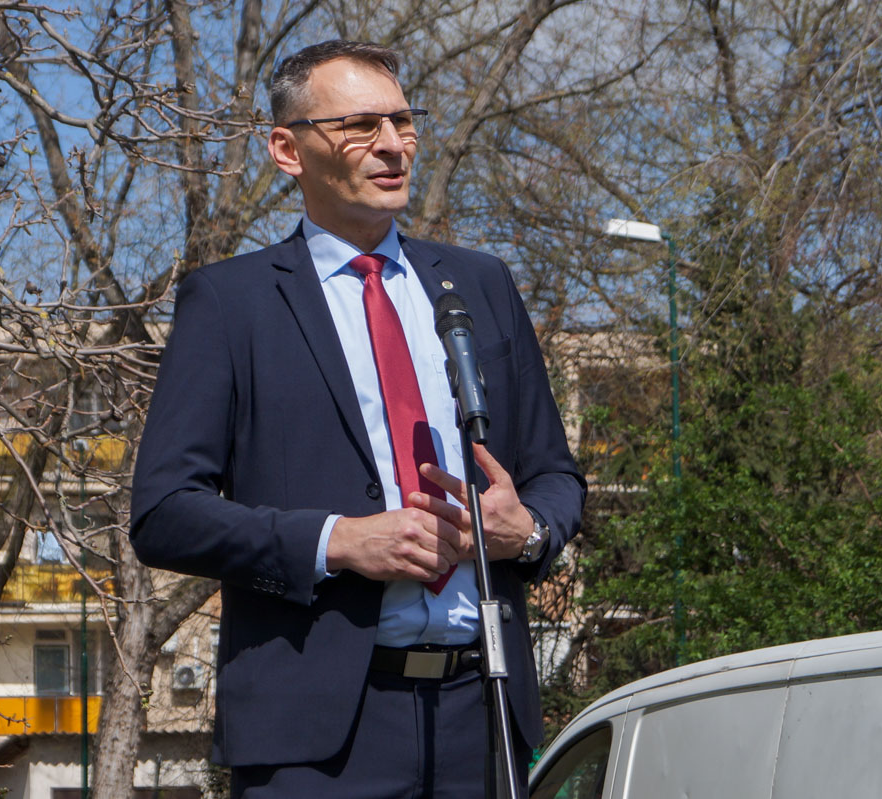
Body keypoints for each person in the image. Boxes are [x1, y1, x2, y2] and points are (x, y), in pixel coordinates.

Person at [130, 39, 586, 798]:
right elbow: (163, 512)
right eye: (360, 125)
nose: (392, 144)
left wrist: (528, 531)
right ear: (288, 149)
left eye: (403, 122)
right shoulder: (231, 304)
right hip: (316, 738)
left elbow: (555, 475)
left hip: (483, 717)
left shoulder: (480, 286)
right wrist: (337, 540)